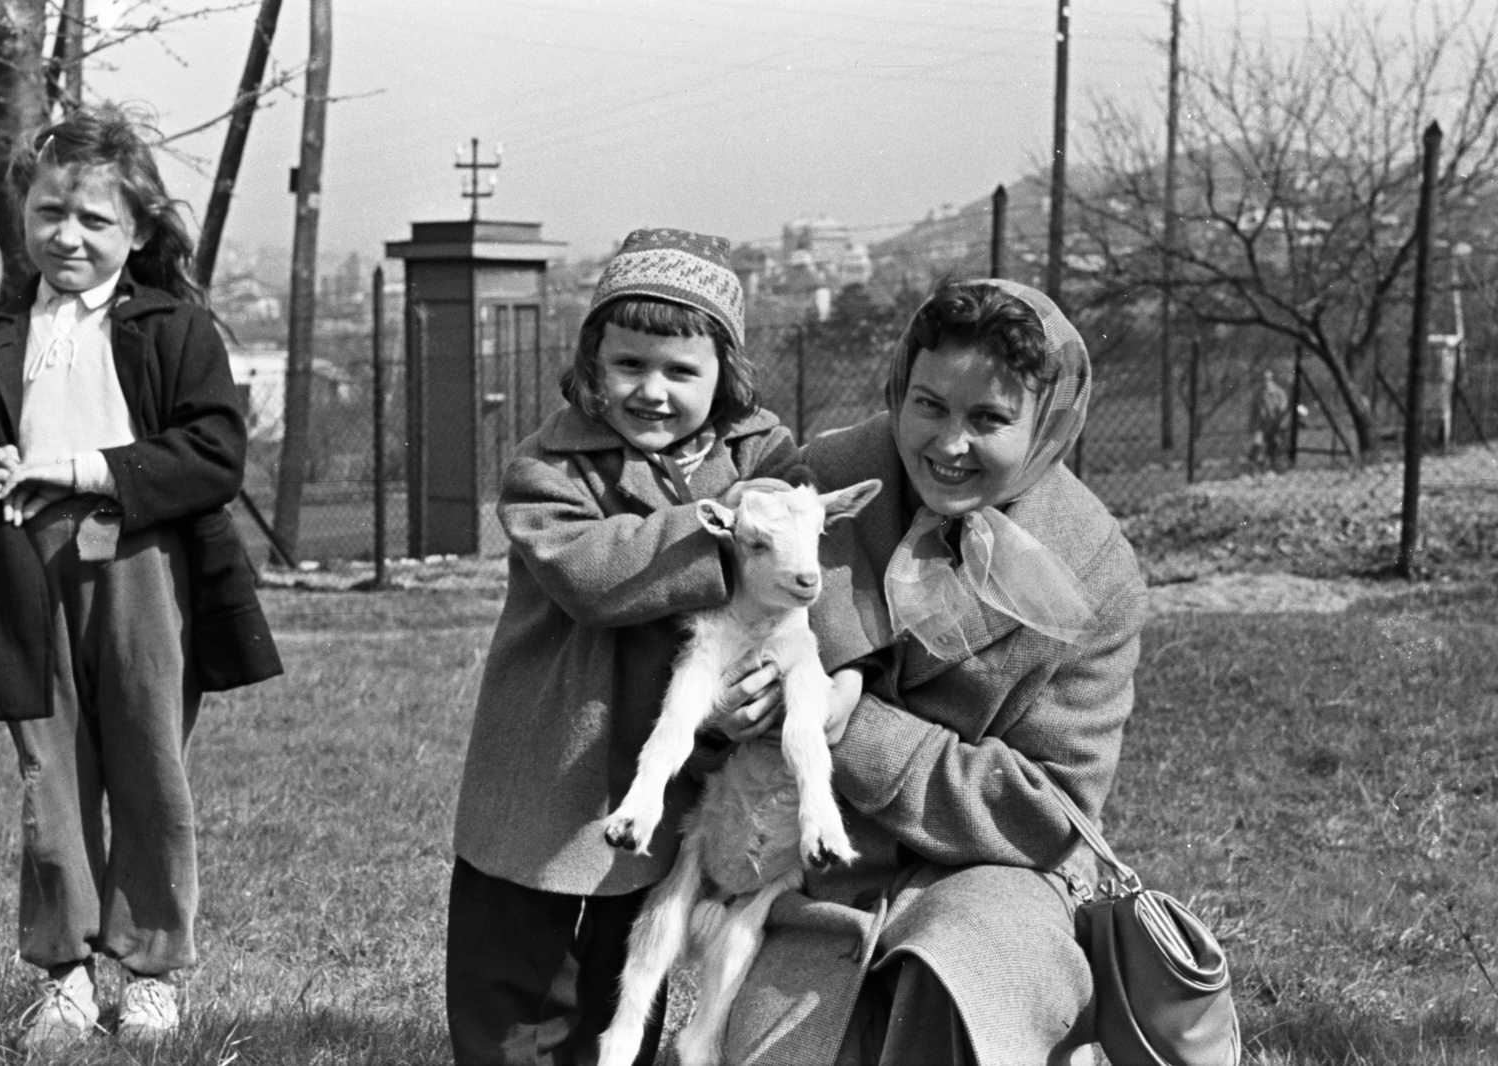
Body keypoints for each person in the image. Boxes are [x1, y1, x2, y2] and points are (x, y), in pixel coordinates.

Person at [0, 106, 282, 1053]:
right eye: (48, 212)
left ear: (139, 229)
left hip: (143, 566)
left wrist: (81, 468)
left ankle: (149, 971)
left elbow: (213, 452)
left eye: (95, 219)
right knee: (51, 774)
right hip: (19, 571)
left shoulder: (174, 329)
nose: (67, 236)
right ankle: (65, 974)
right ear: (24, 213)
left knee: (150, 763)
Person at [721, 277, 1149, 1065]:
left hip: (996, 880)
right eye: (928, 406)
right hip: (821, 873)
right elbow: (740, 631)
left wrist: (854, 726)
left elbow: (1051, 814)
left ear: (1049, 427)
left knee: (963, 985)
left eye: (988, 418)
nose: (948, 446)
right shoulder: (826, 484)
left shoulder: (1093, 567)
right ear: (898, 389)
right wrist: (735, 706)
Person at [446, 228, 808, 1066]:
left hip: (677, 754)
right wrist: (720, 527)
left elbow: (799, 563)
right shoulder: (550, 468)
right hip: (556, 749)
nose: (652, 391)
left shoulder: (763, 459)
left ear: (726, 376)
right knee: (517, 955)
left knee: (628, 954)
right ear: (590, 366)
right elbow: (590, 574)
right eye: (628, 365)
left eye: (681, 371)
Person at [1249, 367, 1291, 471]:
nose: (1266, 381)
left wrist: (1278, 423)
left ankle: (1275, 466)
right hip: (1264, 424)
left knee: (1275, 446)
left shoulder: (1280, 393)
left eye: (1268, 378)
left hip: (1277, 425)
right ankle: (1255, 465)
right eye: (1264, 378)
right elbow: (1256, 409)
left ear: (1273, 379)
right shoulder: (1259, 393)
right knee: (1257, 444)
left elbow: (1283, 409)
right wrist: (1253, 422)